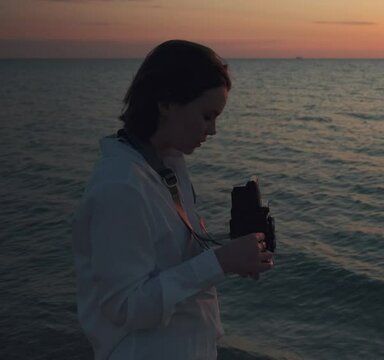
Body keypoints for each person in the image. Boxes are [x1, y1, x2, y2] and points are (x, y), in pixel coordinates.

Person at [72, 39, 274, 360]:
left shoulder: (167, 163)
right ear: (166, 104)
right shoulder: (121, 185)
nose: (213, 130)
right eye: (207, 116)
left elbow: (171, 258)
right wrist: (219, 262)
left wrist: (235, 252)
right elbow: (125, 306)